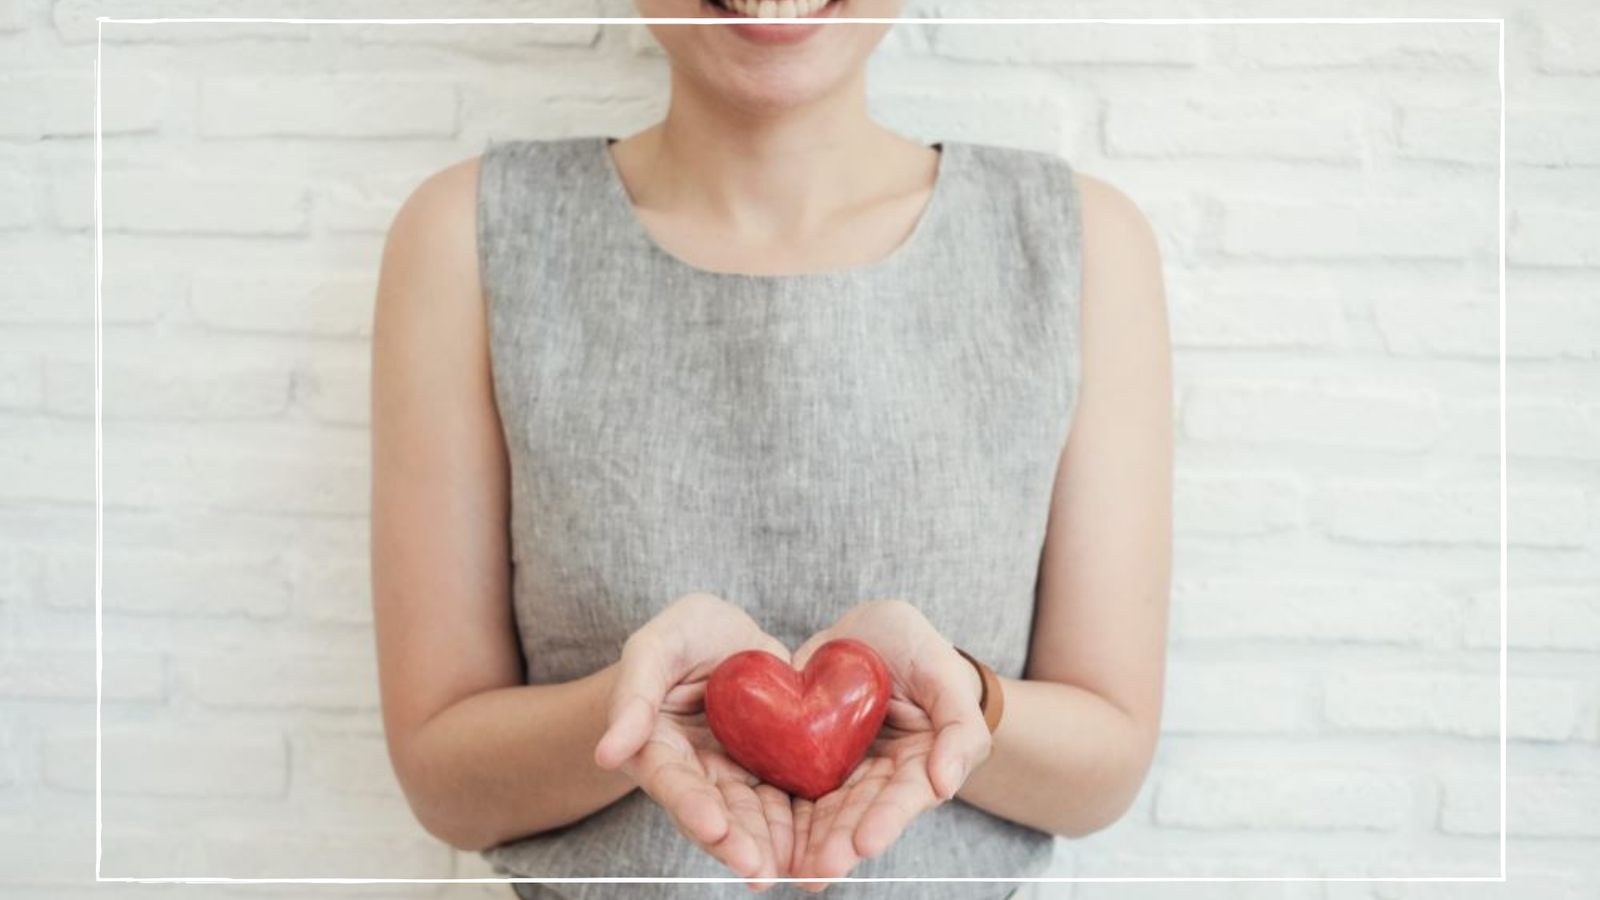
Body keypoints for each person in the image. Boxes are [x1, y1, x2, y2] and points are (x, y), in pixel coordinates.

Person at [368, 1, 1172, 898]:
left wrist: (958, 702)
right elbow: (444, 781)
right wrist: (636, 710)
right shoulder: (469, 238)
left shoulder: (1079, 244)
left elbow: (1107, 765)